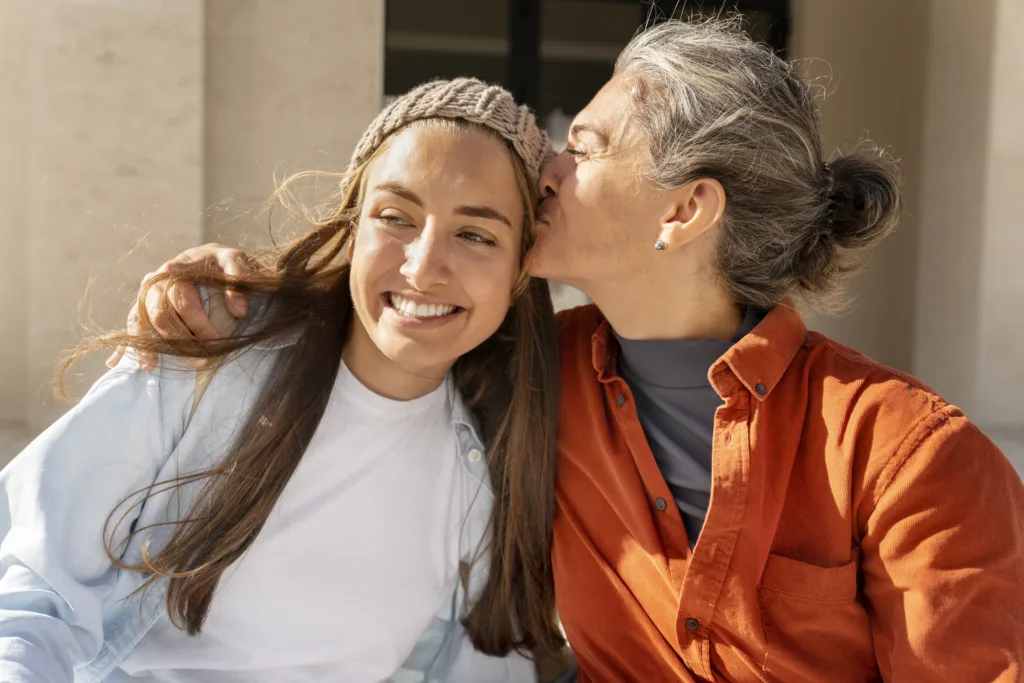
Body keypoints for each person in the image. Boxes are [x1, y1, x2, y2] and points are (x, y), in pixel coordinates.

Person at [120, 17, 1024, 683]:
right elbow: (384, 312)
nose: (545, 164)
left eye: (585, 147)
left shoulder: (914, 459)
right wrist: (237, 294)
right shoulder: (526, 370)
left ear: (683, 211)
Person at [0, 79, 576, 682]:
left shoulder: (490, 470)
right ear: (353, 229)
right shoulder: (210, 345)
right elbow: (34, 602)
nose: (424, 267)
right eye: (395, 217)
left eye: (476, 234)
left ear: (518, 271)